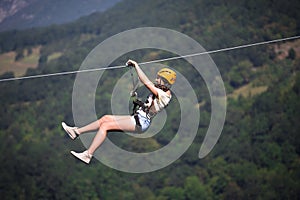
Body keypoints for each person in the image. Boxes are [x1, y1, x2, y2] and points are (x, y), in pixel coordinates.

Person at [62, 59, 176, 164]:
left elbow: (146, 82)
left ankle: (88, 154)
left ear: (165, 82)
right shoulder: (162, 91)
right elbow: (149, 103)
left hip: (140, 122)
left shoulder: (163, 95)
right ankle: (76, 132)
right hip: (138, 118)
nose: (156, 79)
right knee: (105, 118)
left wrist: (136, 66)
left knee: (105, 126)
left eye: (159, 78)